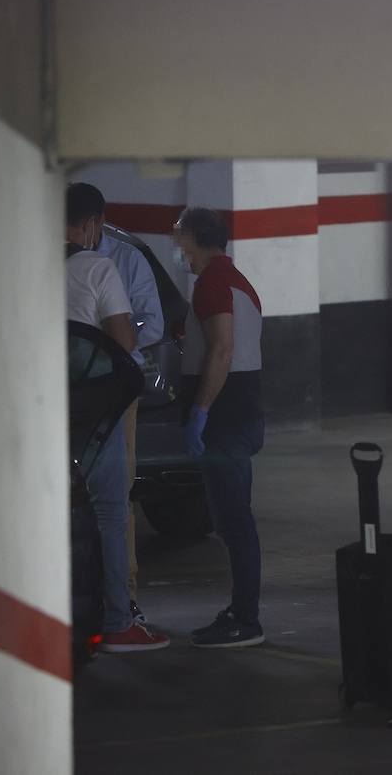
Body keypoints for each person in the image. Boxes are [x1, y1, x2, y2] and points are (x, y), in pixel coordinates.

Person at [66, 183, 169, 653]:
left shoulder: (18, 263)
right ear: (91, 224)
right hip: (95, 407)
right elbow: (125, 340)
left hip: (41, 405)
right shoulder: (98, 266)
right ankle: (115, 619)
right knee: (109, 509)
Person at [173, 207, 267, 648]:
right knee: (234, 520)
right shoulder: (236, 281)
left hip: (226, 418)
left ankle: (246, 619)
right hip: (240, 413)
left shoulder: (213, 283)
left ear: (196, 236)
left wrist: (200, 411)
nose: (179, 248)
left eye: (181, 238)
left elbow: (223, 349)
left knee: (235, 522)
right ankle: (241, 612)